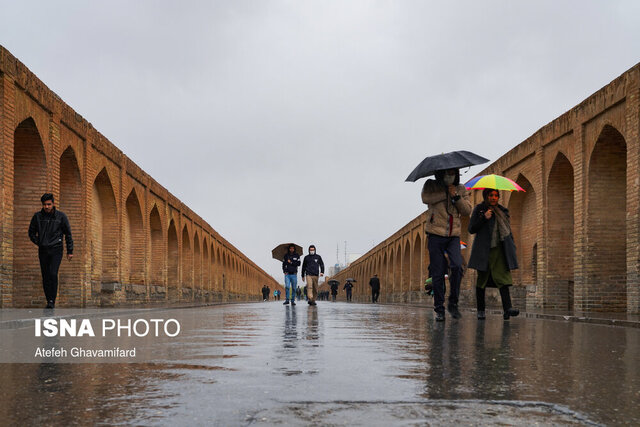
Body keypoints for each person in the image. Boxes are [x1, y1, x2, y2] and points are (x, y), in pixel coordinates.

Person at [422, 168, 472, 321]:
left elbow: (467, 210)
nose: (449, 176)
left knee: (457, 266)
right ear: (440, 173)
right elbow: (426, 198)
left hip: (453, 236)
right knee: (437, 273)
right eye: (446, 173)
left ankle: (453, 302)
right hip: (435, 234)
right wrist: (445, 193)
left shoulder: (461, 188)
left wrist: (455, 196)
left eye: (452, 173)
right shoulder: (431, 185)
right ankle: (439, 309)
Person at [468, 189, 520, 320]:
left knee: (503, 279)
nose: (494, 198)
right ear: (486, 196)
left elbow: (507, 230)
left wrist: (512, 247)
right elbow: (471, 229)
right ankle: (481, 310)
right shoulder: (479, 209)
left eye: (496, 195)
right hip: (484, 250)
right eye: (491, 195)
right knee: (482, 280)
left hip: (500, 249)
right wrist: (483, 218)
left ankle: (507, 309)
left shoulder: (503, 211)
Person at [28, 193, 73, 309]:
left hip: (56, 249)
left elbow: (68, 234)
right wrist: (39, 242)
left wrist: (70, 250)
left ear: (53, 204)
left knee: (53, 273)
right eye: (44, 205)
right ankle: (49, 300)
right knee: (45, 275)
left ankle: (52, 299)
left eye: (48, 204)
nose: (46, 207)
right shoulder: (37, 216)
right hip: (43, 250)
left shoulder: (61, 217)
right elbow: (31, 232)